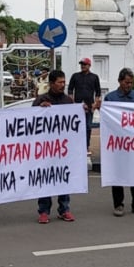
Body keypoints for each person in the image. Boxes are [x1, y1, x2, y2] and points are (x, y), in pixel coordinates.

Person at [104, 68, 134, 217]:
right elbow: (106, 121)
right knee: (117, 173)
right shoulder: (110, 98)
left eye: (131, 83)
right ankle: (118, 204)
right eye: (126, 82)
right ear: (120, 81)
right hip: (117, 143)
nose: (129, 85)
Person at [33, 70, 76, 224]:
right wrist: (40, 110)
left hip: (63, 149)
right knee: (46, 179)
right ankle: (44, 211)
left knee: (63, 178)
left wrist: (83, 111)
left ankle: (64, 209)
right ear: (51, 84)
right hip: (45, 149)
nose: (62, 85)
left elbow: (74, 123)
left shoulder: (68, 101)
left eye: (64, 82)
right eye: (59, 82)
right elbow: (30, 121)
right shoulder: (41, 100)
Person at [67, 58, 101, 156]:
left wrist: (95, 104)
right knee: (76, 127)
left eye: (85, 64)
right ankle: (76, 146)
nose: (83, 66)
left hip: (89, 106)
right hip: (77, 106)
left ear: (89, 65)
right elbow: (70, 90)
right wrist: (72, 103)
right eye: (82, 64)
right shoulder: (75, 76)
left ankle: (86, 146)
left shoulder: (94, 77)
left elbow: (98, 91)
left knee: (88, 127)